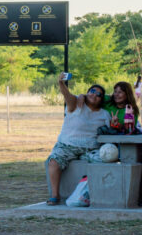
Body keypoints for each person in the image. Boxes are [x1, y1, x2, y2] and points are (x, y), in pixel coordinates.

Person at [45, 74, 111, 206]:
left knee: (108, 159)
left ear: (101, 99)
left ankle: (97, 195)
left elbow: (110, 131)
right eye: (92, 91)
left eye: (99, 94)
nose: (95, 95)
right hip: (67, 145)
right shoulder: (76, 103)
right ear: (87, 93)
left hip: (90, 148)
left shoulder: (105, 114)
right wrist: (61, 83)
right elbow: (66, 95)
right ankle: (55, 195)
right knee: (53, 161)